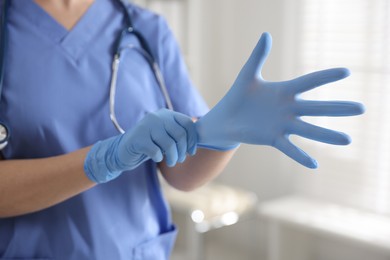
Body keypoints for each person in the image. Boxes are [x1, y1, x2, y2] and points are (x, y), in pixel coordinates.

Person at [0, 0, 364, 259]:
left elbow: (182, 173)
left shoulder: (146, 29)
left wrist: (224, 136)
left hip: (133, 249)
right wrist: (101, 160)